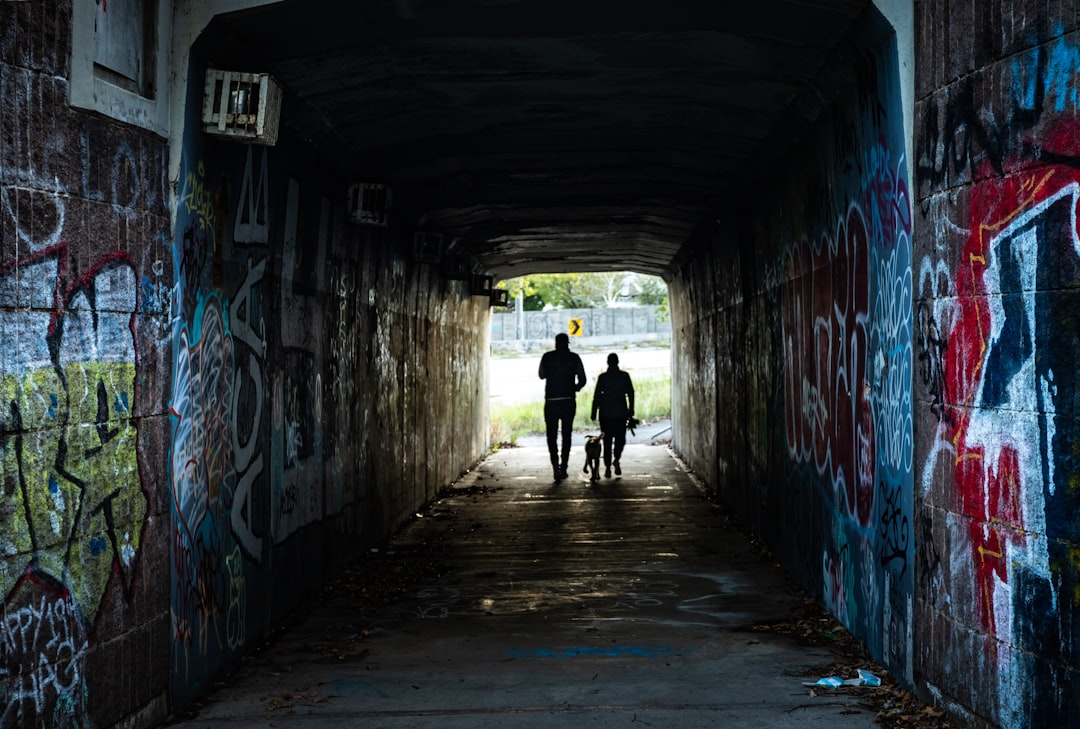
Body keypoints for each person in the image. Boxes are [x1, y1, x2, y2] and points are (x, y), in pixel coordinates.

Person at [538, 333, 587, 481]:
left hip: (551, 400)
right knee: (567, 434)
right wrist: (575, 388)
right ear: (568, 343)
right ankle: (564, 467)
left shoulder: (547, 357)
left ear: (555, 343)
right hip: (568, 400)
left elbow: (541, 375)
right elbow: (582, 379)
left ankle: (555, 466)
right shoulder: (574, 358)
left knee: (551, 435)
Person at [591, 352, 635, 478]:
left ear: (607, 363)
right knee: (620, 440)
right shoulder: (624, 376)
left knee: (607, 442)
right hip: (621, 413)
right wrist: (631, 409)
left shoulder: (603, 377)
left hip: (605, 414)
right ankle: (616, 459)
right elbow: (631, 393)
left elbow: (597, 395)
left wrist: (594, 412)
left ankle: (608, 468)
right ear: (617, 362)